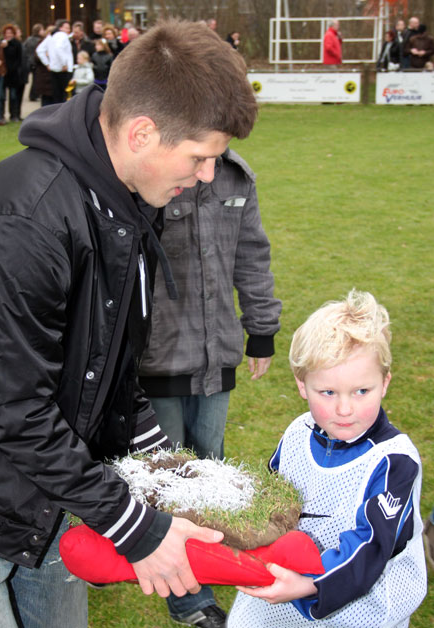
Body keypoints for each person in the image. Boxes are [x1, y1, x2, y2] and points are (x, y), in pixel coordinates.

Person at [0, 19, 258, 627]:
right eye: (201, 157)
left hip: (55, 496)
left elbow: (106, 369)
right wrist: (137, 529)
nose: (208, 176)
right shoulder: (22, 224)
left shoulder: (125, 202)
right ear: (142, 132)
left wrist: (173, 473)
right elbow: (16, 412)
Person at [138, 148, 281, 627]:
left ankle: (208, 570)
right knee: (167, 479)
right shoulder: (151, 170)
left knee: (211, 474)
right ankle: (187, 599)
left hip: (217, 356)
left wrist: (261, 329)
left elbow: (252, 254)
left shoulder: (239, 178)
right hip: (155, 358)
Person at [228, 289, 427, 628]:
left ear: (385, 383)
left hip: (359, 607)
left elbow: (370, 546)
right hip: (285, 592)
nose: (345, 409)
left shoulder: (393, 461)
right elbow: (267, 501)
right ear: (302, 385)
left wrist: (310, 585)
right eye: (328, 392)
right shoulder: (297, 432)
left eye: (362, 391)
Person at [36, 18, 74, 104]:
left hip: (54, 69)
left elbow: (39, 50)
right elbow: (58, 48)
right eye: (66, 28)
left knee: (56, 96)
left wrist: (47, 63)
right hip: (63, 70)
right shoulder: (62, 36)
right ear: (60, 28)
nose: (68, 30)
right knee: (65, 95)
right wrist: (64, 63)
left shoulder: (51, 37)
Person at [24, 22, 45, 101]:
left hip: (29, 61)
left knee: (34, 79)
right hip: (35, 62)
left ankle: (33, 94)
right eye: (42, 30)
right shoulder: (39, 40)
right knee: (36, 79)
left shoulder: (29, 39)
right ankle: (34, 95)